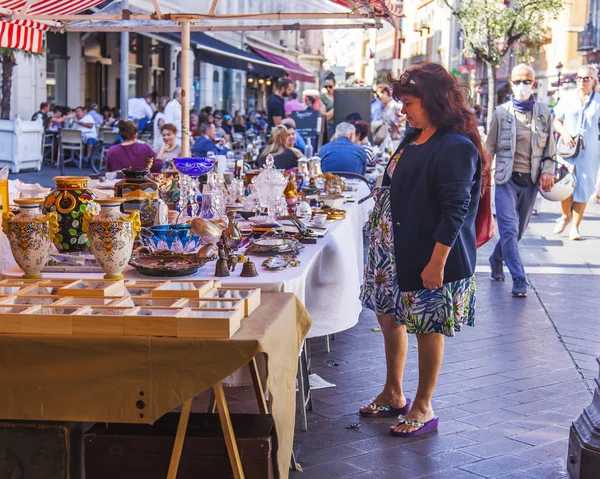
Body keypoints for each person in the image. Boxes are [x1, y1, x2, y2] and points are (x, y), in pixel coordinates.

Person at [359, 62, 484, 437]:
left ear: (433, 101)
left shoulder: (456, 147)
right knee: (388, 317)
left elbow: (455, 211)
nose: (403, 110)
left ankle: (423, 405)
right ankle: (394, 392)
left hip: (427, 252)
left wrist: (437, 263)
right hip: (391, 249)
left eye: (409, 102)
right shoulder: (414, 136)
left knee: (427, 327)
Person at [485, 64, 556, 297]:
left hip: (531, 181)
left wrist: (548, 171)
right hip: (506, 179)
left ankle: (496, 259)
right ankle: (519, 278)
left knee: (518, 232)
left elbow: (550, 151)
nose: (522, 86)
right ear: (511, 84)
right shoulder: (501, 113)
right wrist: (484, 174)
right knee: (508, 229)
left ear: (533, 85)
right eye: (517, 82)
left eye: (527, 81)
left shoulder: (545, 113)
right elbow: (490, 148)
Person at [552, 64, 600, 241]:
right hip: (567, 149)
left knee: (584, 188)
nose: (582, 81)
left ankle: (575, 227)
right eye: (579, 78)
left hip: (590, 151)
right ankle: (565, 215)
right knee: (564, 184)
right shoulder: (567, 98)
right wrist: (564, 134)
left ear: (593, 80)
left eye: (586, 78)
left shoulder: (598, 101)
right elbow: (556, 120)